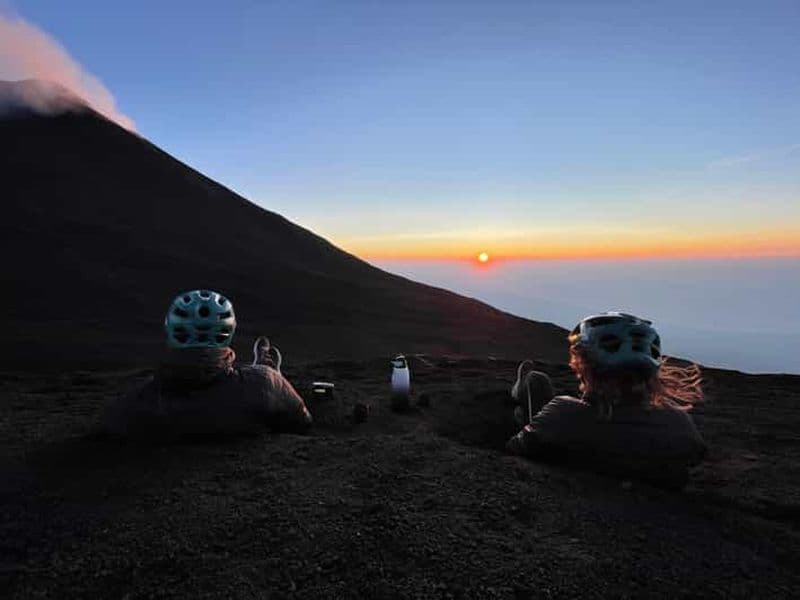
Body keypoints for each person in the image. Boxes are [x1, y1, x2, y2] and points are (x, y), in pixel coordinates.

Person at [506, 312, 707, 488]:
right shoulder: (681, 425)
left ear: (584, 367)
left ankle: (522, 392)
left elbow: (517, 446)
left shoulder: (563, 413)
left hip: (566, 455)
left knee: (535, 381)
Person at [96, 289, 312, 439]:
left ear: (170, 330)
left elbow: (107, 427)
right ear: (228, 332)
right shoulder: (264, 384)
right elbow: (302, 422)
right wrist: (270, 374)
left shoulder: (131, 404)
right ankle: (265, 362)